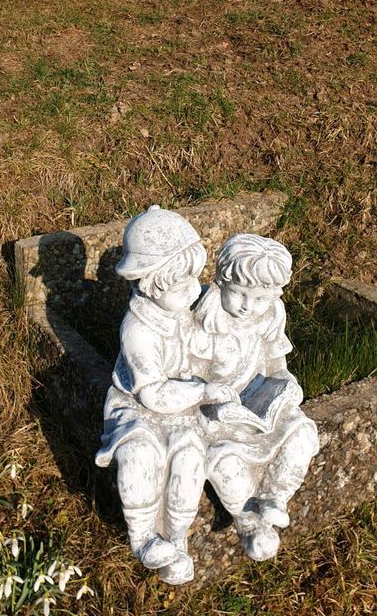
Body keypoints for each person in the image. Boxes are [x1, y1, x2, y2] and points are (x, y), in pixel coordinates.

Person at [96, 205, 234, 584]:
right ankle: (142, 536)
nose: (193, 289)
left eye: (194, 278)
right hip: (140, 406)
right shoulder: (137, 330)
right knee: (140, 456)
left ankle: (176, 537)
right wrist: (203, 390)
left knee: (189, 460)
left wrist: (215, 344)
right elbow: (153, 394)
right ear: (148, 284)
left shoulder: (180, 311)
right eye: (180, 283)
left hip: (183, 405)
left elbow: (200, 346)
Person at [194, 233, 319, 560]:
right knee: (221, 459)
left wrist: (286, 382)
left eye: (261, 298)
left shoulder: (271, 314)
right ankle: (247, 518)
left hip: (257, 404)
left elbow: (276, 364)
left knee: (303, 432)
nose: (249, 306)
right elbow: (184, 374)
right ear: (221, 281)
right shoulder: (202, 317)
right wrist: (213, 404)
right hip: (214, 413)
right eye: (239, 294)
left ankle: (275, 495)